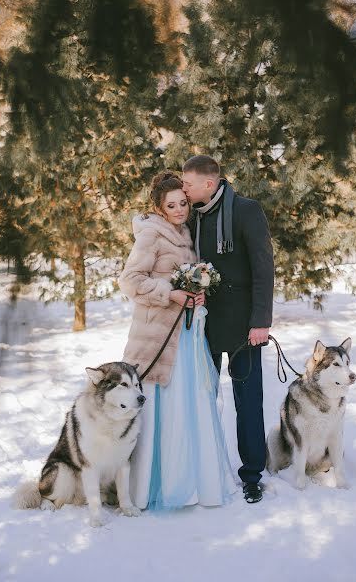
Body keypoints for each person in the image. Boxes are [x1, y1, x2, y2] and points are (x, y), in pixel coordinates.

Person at [119, 171, 236, 511]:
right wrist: (170, 294)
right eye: (171, 205)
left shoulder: (185, 233)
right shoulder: (151, 235)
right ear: (159, 207)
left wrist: (196, 295)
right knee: (160, 408)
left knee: (190, 403)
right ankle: (150, 487)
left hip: (186, 335)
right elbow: (130, 281)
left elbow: (188, 282)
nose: (180, 209)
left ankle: (195, 483)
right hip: (157, 336)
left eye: (183, 203)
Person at [182, 155, 274, 504]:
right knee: (202, 401)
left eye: (188, 184)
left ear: (209, 183)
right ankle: (205, 471)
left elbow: (264, 269)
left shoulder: (247, 210)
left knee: (248, 403)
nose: (184, 190)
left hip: (244, 329)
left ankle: (252, 475)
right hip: (201, 326)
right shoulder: (190, 217)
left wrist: (260, 321)